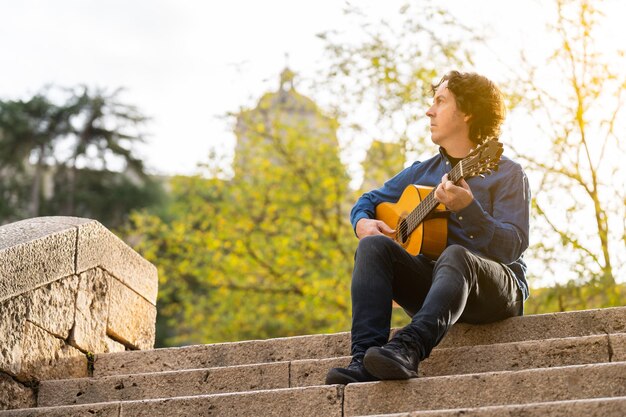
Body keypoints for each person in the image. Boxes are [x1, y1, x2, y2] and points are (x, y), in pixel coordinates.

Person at [325, 70, 530, 384]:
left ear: (468, 112)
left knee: (457, 255)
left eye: (440, 101)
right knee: (373, 246)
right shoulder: (421, 172)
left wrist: (469, 210)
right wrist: (362, 222)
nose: (429, 110)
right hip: (438, 292)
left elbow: (512, 246)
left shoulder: (506, 173)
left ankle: (409, 348)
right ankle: (364, 359)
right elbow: (367, 200)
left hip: (496, 291)